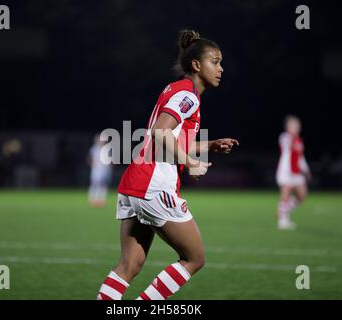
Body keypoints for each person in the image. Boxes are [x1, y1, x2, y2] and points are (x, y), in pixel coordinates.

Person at [96, 29, 239, 300]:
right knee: (194, 259)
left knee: (130, 265)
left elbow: (168, 136)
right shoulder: (189, 95)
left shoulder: (177, 89)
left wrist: (209, 145)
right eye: (216, 61)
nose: (221, 68)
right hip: (154, 185)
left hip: (134, 183)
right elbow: (161, 132)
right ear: (197, 65)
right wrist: (191, 162)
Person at [275, 115, 312, 230]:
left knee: (302, 195)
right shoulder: (285, 137)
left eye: (298, 125)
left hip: (296, 172)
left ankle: (283, 210)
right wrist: (292, 137)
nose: (297, 127)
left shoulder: (299, 140)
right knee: (285, 195)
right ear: (288, 127)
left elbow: (300, 157)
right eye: (294, 125)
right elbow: (285, 144)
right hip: (286, 171)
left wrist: (306, 170)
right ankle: (282, 220)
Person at [87, 134, 112, 207]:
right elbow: (89, 158)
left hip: (105, 170)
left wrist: (109, 166)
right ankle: (92, 200)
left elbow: (110, 160)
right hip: (96, 170)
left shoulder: (107, 149)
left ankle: (101, 200)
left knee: (103, 185)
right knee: (95, 184)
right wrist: (93, 165)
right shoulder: (94, 148)